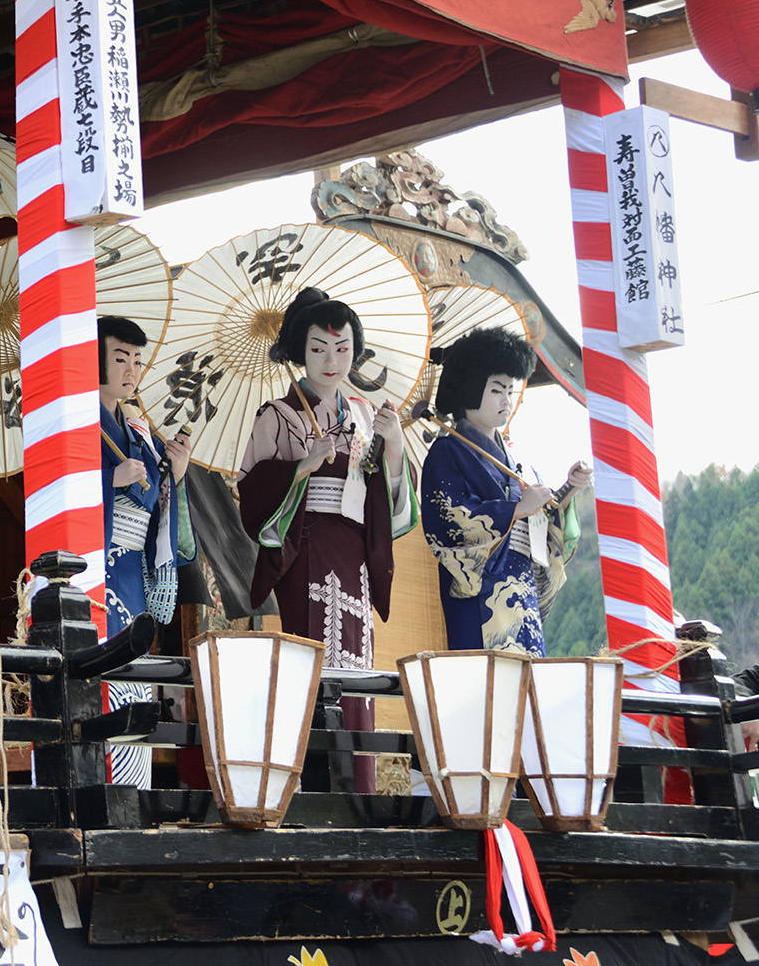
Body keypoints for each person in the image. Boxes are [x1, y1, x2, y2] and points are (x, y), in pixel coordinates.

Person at [238, 287, 414, 792]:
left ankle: (359, 787)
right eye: (317, 348)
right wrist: (302, 467)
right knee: (310, 661)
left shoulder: (365, 414)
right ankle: (313, 786)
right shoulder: (277, 414)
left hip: (354, 552)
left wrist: (395, 443)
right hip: (304, 549)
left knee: (355, 663)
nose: (331, 360)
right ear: (300, 350)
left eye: (342, 349)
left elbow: (392, 498)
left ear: (355, 352)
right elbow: (251, 493)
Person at [421, 326, 590, 655]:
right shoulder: (448, 453)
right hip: (481, 592)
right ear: (470, 388)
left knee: (527, 685)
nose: (507, 401)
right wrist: (514, 510)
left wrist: (568, 490)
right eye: (498, 390)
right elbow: (451, 522)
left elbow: (542, 515)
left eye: (512, 391)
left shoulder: (517, 460)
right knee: (490, 685)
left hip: (522, 586)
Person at [98, 315, 195, 789]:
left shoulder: (137, 431)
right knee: (102, 680)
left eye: (137, 360)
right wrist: (106, 482)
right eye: (120, 358)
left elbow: (161, 513)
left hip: (133, 576)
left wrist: (174, 473)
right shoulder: (78, 425)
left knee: (134, 679)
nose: (131, 369)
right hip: (97, 570)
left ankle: (132, 797)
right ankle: (104, 797)